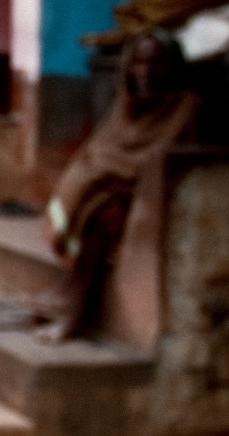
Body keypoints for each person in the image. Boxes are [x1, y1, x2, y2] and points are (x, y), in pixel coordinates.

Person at [37, 30, 199, 342]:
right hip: (116, 191)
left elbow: (164, 162)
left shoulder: (186, 107)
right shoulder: (126, 107)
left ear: (173, 67)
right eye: (139, 62)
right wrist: (94, 178)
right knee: (85, 197)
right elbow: (98, 153)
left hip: (154, 199)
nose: (146, 72)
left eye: (157, 63)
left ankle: (75, 317)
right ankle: (69, 288)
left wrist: (114, 180)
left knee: (101, 214)